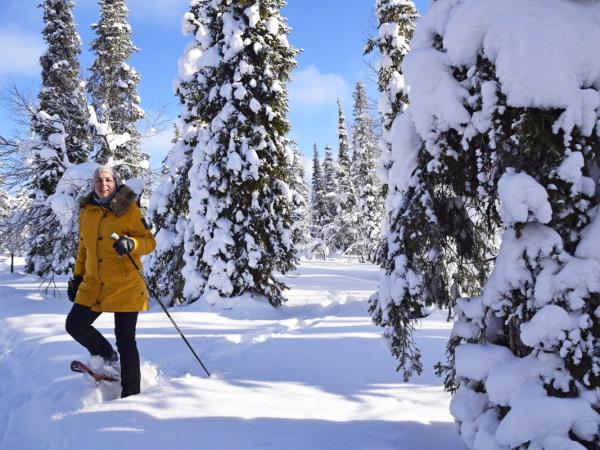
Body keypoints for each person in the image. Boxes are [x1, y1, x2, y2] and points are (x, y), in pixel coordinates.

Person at [65, 165, 156, 398]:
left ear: (115, 183)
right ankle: (107, 356)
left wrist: (131, 244)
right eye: (98, 180)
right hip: (94, 284)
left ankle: (131, 394)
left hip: (125, 284)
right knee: (75, 325)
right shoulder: (87, 211)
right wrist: (78, 277)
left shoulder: (129, 209)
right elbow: (84, 247)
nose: (103, 184)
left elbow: (148, 241)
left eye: (108, 180)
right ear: (93, 184)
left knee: (126, 340)